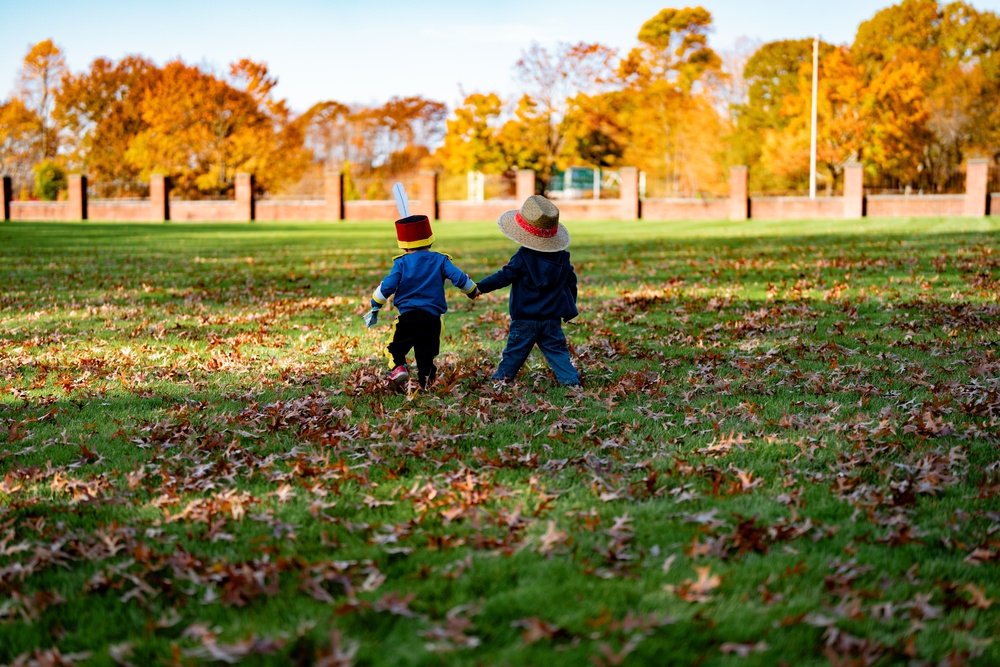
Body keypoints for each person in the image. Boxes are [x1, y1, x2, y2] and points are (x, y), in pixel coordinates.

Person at [475, 195, 581, 387]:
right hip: (551, 319)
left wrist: (480, 287)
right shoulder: (563, 259)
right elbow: (571, 285)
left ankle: (501, 380)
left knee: (514, 352)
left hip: (524, 319)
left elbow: (504, 276)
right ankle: (571, 382)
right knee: (557, 351)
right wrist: (569, 308)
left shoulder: (523, 257)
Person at [363, 213, 478, 389]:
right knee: (426, 354)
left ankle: (399, 368)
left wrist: (375, 303)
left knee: (393, 348)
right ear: (430, 240)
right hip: (432, 319)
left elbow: (387, 286)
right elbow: (459, 278)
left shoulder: (401, 263)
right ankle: (427, 383)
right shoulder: (441, 260)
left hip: (408, 318)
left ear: (403, 245)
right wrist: (471, 290)